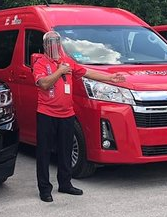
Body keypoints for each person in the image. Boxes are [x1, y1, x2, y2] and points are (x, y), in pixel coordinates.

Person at [32, 31, 125, 202]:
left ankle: (65, 184)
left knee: (66, 150)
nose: (54, 46)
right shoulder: (40, 63)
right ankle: (44, 189)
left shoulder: (68, 61)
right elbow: (44, 84)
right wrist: (60, 71)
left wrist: (111, 77)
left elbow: (87, 72)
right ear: (45, 46)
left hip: (67, 114)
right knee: (44, 152)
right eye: (50, 43)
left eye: (57, 42)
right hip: (46, 113)